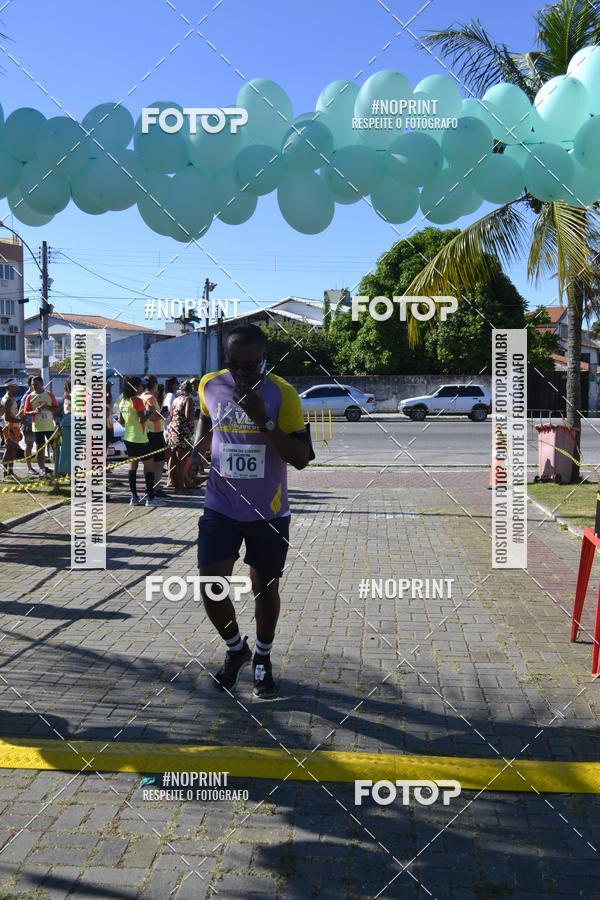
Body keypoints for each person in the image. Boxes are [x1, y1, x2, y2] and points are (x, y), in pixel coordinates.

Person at [192, 324, 311, 699]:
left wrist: (263, 418)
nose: (241, 371)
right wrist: (196, 448)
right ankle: (235, 649)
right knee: (211, 585)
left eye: (250, 364)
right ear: (225, 358)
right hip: (220, 506)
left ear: (263, 359)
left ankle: (262, 657)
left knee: (265, 589)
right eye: (235, 363)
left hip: (269, 511)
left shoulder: (282, 393)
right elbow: (208, 420)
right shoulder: (209, 384)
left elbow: (302, 458)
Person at [118, 375, 162, 507]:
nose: (141, 387)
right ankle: (151, 498)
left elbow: (121, 421)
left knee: (132, 467)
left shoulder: (122, 401)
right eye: (139, 385)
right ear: (134, 387)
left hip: (128, 438)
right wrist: (150, 411)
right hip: (141, 438)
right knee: (149, 468)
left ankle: (134, 497)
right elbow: (142, 420)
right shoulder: (136, 400)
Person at [22, 377, 59, 476]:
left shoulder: (49, 394)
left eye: (36, 384)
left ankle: (57, 468)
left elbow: (56, 409)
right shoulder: (30, 396)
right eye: (33, 384)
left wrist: (47, 407)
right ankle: (42, 469)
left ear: (42, 384)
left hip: (50, 426)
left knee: (55, 447)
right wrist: (33, 412)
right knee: (40, 448)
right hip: (37, 427)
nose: (34, 386)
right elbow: (25, 412)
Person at [164, 379, 196, 491]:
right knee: (181, 461)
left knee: (173, 460)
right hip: (182, 433)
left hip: (172, 431)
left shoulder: (176, 399)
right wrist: (195, 416)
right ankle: (180, 487)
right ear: (190, 389)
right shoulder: (188, 399)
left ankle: (175, 483)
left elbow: (172, 415)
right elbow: (188, 415)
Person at [140, 375, 167, 497]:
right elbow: (152, 416)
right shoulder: (151, 398)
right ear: (154, 384)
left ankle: (150, 487)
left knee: (149, 462)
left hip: (146, 432)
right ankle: (155, 488)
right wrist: (164, 414)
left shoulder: (141, 397)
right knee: (159, 462)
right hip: (155, 433)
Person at [1, 379, 22, 477]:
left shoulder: (9, 398)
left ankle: (10, 472)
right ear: (9, 387)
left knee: (13, 450)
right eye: (14, 386)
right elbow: (7, 417)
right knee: (9, 450)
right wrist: (20, 420)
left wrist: (18, 417)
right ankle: (6, 473)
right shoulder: (8, 399)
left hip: (14, 427)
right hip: (10, 427)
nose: (16, 388)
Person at [19, 376, 38, 476]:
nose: (36, 385)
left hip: (38, 423)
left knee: (40, 445)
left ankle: (41, 466)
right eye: (34, 383)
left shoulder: (38, 394)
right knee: (29, 446)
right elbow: (22, 411)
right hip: (28, 423)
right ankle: (29, 468)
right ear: (30, 384)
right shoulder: (27, 395)